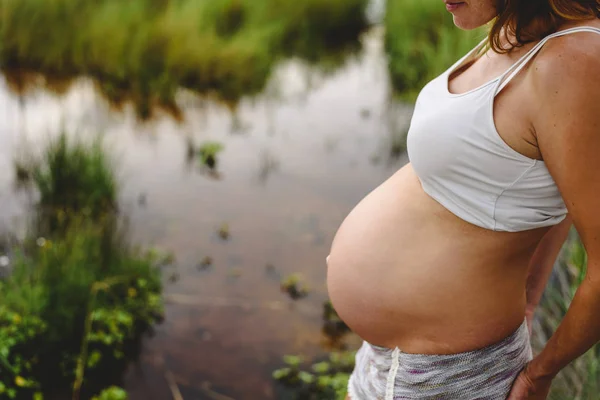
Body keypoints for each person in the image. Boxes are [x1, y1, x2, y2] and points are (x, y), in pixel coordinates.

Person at [325, 0, 600, 399]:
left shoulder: (577, 59)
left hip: (452, 375)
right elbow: (557, 194)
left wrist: (541, 373)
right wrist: (531, 297)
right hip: (389, 358)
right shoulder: (515, 28)